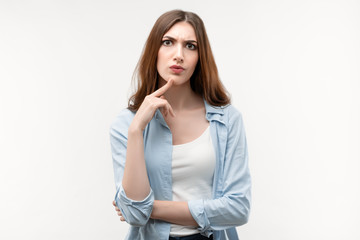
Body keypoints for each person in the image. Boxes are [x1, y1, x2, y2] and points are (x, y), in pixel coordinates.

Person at [110, 9, 251, 240]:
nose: (179, 55)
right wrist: (136, 130)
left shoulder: (227, 120)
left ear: (200, 56)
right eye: (168, 42)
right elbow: (135, 217)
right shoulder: (126, 124)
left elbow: (238, 209)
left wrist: (149, 209)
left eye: (190, 46)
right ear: (153, 50)